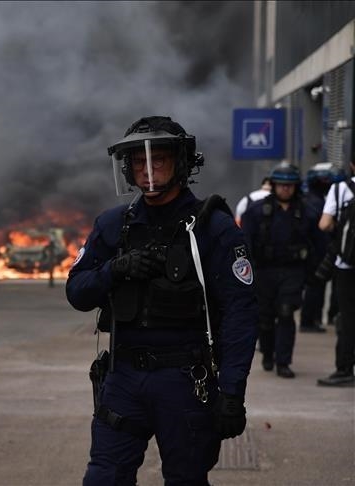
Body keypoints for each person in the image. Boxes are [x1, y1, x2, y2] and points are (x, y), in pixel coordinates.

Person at [66, 116, 258, 485]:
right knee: (103, 478)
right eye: (138, 161)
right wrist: (115, 269)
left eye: (159, 159)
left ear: (182, 163)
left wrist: (233, 391)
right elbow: (77, 292)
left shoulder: (211, 227)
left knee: (186, 478)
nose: (148, 170)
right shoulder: (113, 225)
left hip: (185, 381)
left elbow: (240, 313)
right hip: (123, 379)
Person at [240, 163, 324, 378]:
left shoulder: (307, 212)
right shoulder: (256, 211)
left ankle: (283, 361)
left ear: (296, 187)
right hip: (264, 272)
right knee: (265, 319)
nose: (285, 189)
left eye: (290, 185)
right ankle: (268, 353)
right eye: (281, 185)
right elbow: (245, 244)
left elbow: (319, 244)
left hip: (293, 271)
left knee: (286, 313)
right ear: (274, 185)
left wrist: (314, 273)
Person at [316, 159, 355, 387]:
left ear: (352, 165)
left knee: (348, 319)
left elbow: (324, 224)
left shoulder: (340, 189)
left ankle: (344, 369)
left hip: (346, 265)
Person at [298, 164, 337, 333]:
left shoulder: (307, 200)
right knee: (315, 286)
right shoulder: (318, 203)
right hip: (316, 252)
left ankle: (313, 319)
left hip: (311, 251)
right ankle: (309, 321)